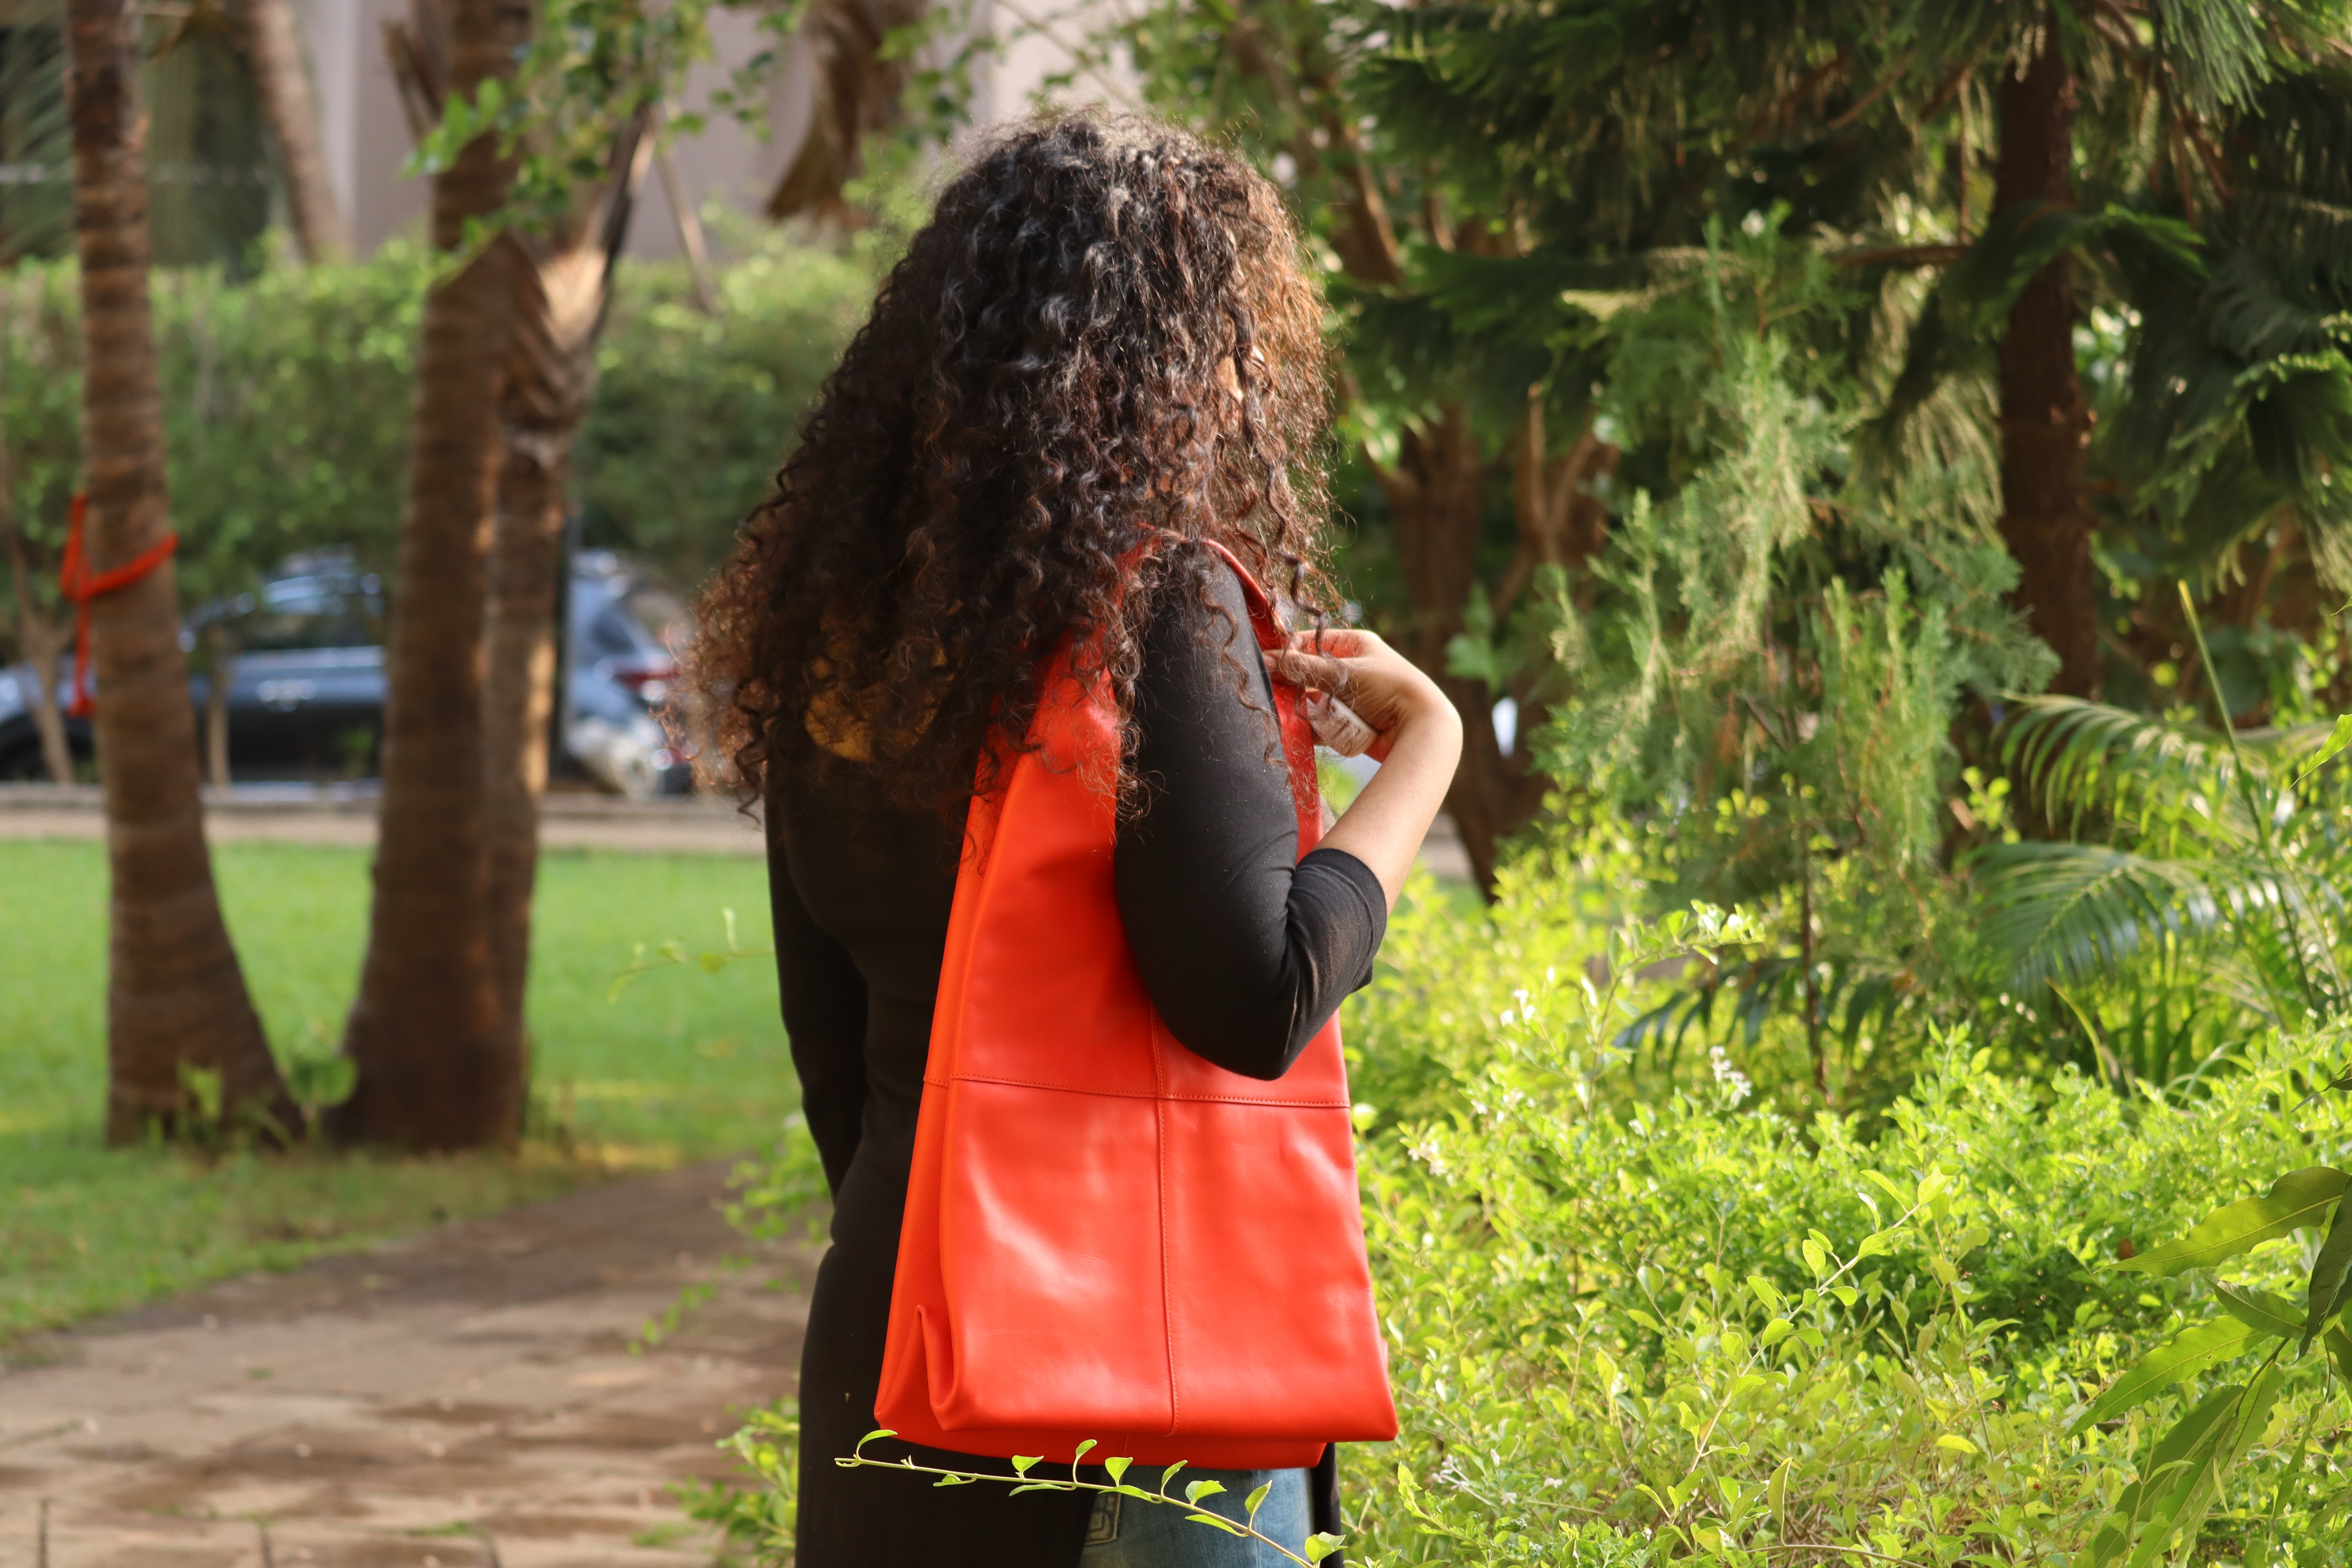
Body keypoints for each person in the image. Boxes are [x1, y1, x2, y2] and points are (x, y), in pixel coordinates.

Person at [688, 110, 1463, 1568]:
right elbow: (1257, 996)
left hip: (903, 1342)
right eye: (1237, 336)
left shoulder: (839, 633)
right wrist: (1428, 751)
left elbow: (833, 1059)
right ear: (1182, 361)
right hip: (1131, 1395)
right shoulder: (1155, 612)